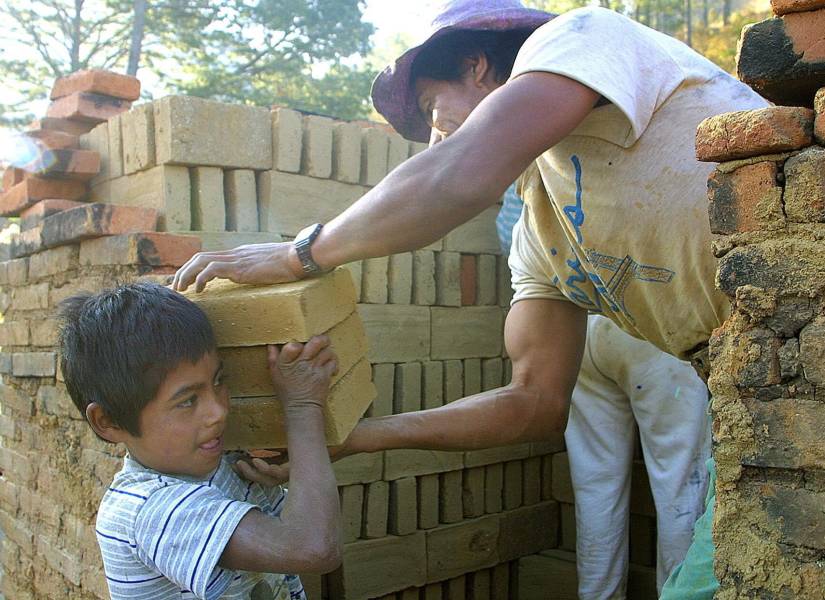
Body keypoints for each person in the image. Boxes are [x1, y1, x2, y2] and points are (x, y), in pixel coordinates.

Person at [172, 1, 768, 596]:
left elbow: (456, 174)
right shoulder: (544, 231)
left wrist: (301, 253)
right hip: (771, 385)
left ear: (478, 65)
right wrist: (350, 439)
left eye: (433, 108)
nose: (434, 137)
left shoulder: (583, 35)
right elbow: (534, 401)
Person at [57, 282, 342, 599]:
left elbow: (318, 462)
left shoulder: (215, 461)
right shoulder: (150, 508)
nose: (219, 411)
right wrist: (303, 408)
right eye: (187, 401)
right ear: (106, 421)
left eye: (219, 381)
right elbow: (313, 548)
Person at [497, 186, 712, 598]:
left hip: (573, 329)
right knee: (679, 486)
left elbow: (512, 244)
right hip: (654, 320)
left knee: (595, 486)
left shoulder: (534, 164)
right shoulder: (647, 145)